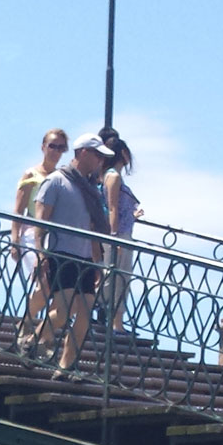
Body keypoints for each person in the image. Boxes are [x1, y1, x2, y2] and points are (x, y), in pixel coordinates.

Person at [31, 135, 112, 371]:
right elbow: (41, 222)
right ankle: (34, 338)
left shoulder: (91, 190)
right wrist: (41, 254)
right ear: (83, 153)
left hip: (85, 257)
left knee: (85, 313)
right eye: (97, 155)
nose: (99, 161)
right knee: (63, 311)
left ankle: (65, 366)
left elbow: (93, 228)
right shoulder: (56, 181)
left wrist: (98, 262)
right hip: (61, 254)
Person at [12, 129, 68, 347]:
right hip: (31, 233)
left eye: (60, 147)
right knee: (43, 282)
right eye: (52, 146)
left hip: (55, 236)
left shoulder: (61, 176)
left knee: (54, 288)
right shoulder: (31, 174)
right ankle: (29, 324)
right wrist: (14, 239)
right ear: (43, 146)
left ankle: (36, 330)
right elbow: (18, 210)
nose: (56, 151)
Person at [99, 129, 141, 340]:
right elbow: (112, 207)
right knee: (115, 278)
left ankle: (117, 323)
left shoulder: (112, 177)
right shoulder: (113, 177)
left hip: (122, 233)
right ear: (123, 153)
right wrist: (114, 236)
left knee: (119, 279)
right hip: (117, 235)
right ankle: (113, 322)